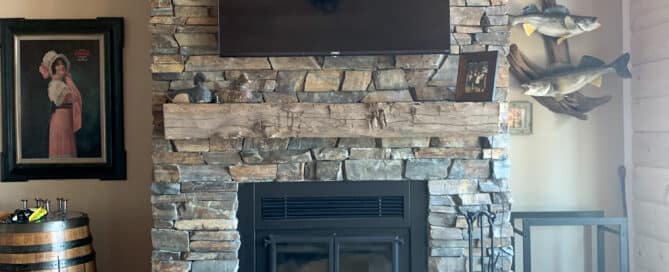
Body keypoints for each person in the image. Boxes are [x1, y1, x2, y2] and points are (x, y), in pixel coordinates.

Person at [38, 51, 82, 158]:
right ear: (52, 69)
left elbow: (76, 98)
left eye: (62, 63)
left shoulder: (64, 83)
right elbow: (68, 98)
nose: (61, 66)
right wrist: (69, 80)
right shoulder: (55, 85)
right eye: (57, 64)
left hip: (66, 120)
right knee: (62, 149)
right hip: (60, 121)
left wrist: (68, 79)